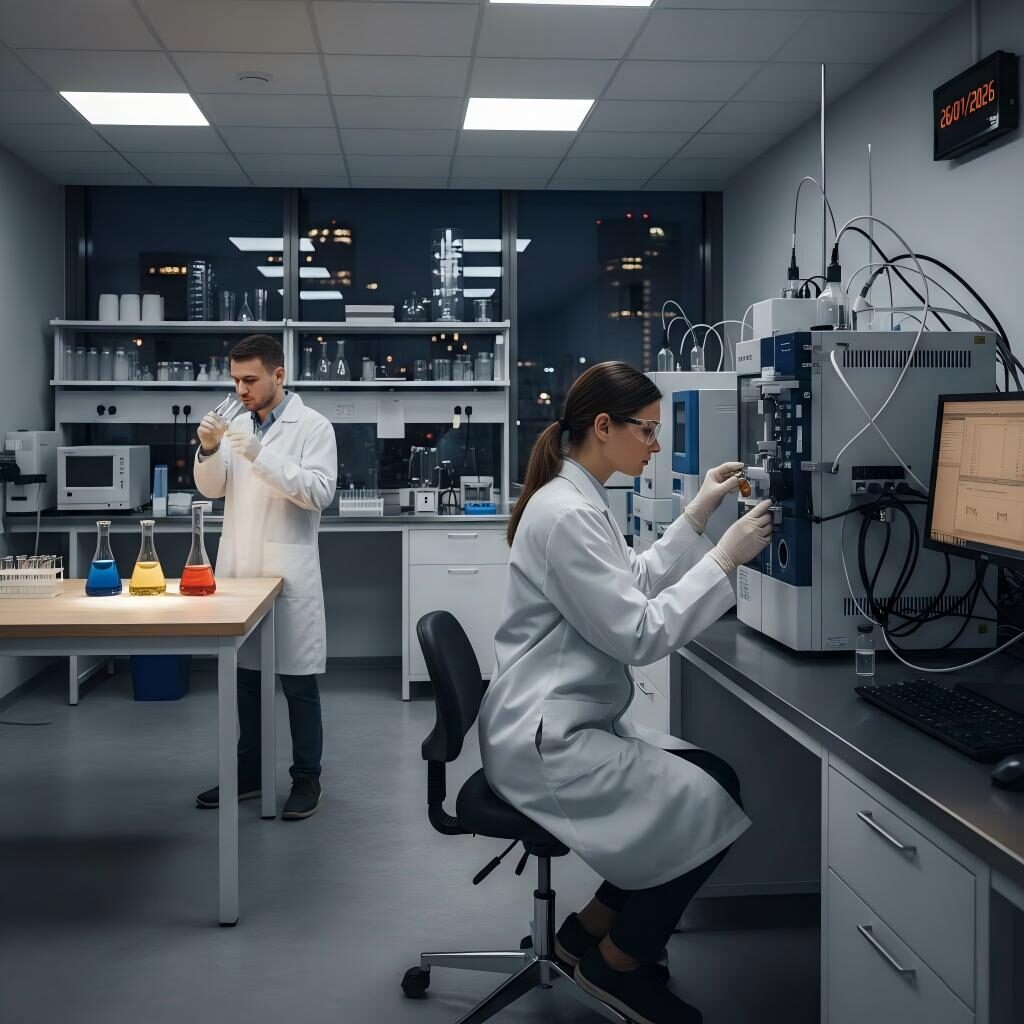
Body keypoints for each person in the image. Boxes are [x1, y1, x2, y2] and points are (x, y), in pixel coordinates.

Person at [477, 361, 773, 1024]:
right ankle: (617, 966)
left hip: (556, 719)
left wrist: (697, 514)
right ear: (605, 426)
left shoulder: (576, 497)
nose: (657, 446)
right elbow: (639, 633)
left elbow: (632, 578)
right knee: (710, 801)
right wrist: (724, 558)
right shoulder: (565, 512)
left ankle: (583, 933)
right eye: (648, 430)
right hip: (546, 737)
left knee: (712, 776)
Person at [193, 334, 338, 820]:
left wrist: (259, 455)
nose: (241, 390)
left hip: (288, 572)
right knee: (247, 682)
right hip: (241, 569)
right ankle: (250, 775)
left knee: (298, 683)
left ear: (279, 374)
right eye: (235, 380)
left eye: (250, 380)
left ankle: (306, 778)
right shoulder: (236, 424)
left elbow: (318, 492)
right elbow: (213, 489)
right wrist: (208, 449)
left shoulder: (313, 427)